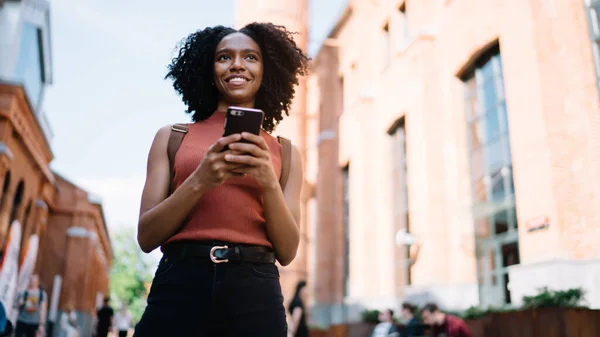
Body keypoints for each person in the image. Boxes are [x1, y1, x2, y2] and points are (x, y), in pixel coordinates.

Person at [133, 22, 309, 337]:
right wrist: (201, 179)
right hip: (180, 281)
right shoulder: (171, 137)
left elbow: (287, 250)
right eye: (224, 57)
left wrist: (267, 180)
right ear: (209, 69)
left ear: (267, 70)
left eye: (251, 57)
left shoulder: (286, 152)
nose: (237, 64)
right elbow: (146, 237)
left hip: (255, 288)